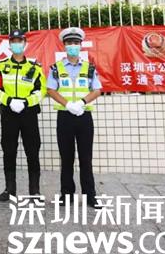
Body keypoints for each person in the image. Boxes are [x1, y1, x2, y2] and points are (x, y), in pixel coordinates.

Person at [46, 27, 102, 208]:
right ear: (64, 45)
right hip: (65, 117)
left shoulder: (89, 67)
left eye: (76, 43)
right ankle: (66, 194)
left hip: (84, 116)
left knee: (86, 158)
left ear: (80, 45)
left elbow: (97, 90)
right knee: (66, 157)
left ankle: (90, 196)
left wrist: (81, 102)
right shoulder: (56, 68)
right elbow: (51, 89)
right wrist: (68, 104)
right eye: (70, 43)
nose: (73, 46)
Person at [0, 29, 46, 201]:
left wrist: (25, 102)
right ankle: (9, 189)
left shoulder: (35, 68)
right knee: (9, 151)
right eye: (13, 41)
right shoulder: (1, 66)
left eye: (19, 41)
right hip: (9, 114)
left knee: (32, 151)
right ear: (9, 44)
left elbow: (42, 91)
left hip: (28, 113)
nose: (16, 44)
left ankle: (34, 190)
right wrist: (9, 101)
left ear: (25, 43)